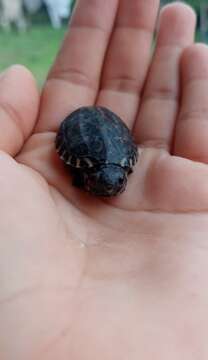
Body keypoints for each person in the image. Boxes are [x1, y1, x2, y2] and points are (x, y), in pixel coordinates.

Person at [0, 0, 207, 358]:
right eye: (103, 182)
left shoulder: (123, 160)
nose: (110, 188)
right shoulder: (97, 164)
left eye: (114, 183)